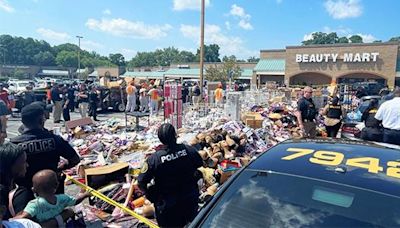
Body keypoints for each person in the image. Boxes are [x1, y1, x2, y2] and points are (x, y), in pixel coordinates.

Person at [10, 103, 80, 215]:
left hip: (26, 193)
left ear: (23, 121)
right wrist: (60, 168)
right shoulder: (54, 140)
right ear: (41, 120)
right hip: (52, 191)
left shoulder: (14, 144)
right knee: (57, 217)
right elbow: (75, 159)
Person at [138, 123, 203, 227]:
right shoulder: (188, 150)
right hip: (189, 199)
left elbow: (141, 182)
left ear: (160, 139)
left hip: (168, 206)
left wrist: (149, 194)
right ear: (175, 135)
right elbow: (200, 163)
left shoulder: (154, 159)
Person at [14, 170, 89, 224]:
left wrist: (9, 221)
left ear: (33, 189)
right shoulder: (62, 198)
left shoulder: (34, 204)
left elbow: (24, 216)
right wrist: (85, 194)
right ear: (56, 185)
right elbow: (75, 201)